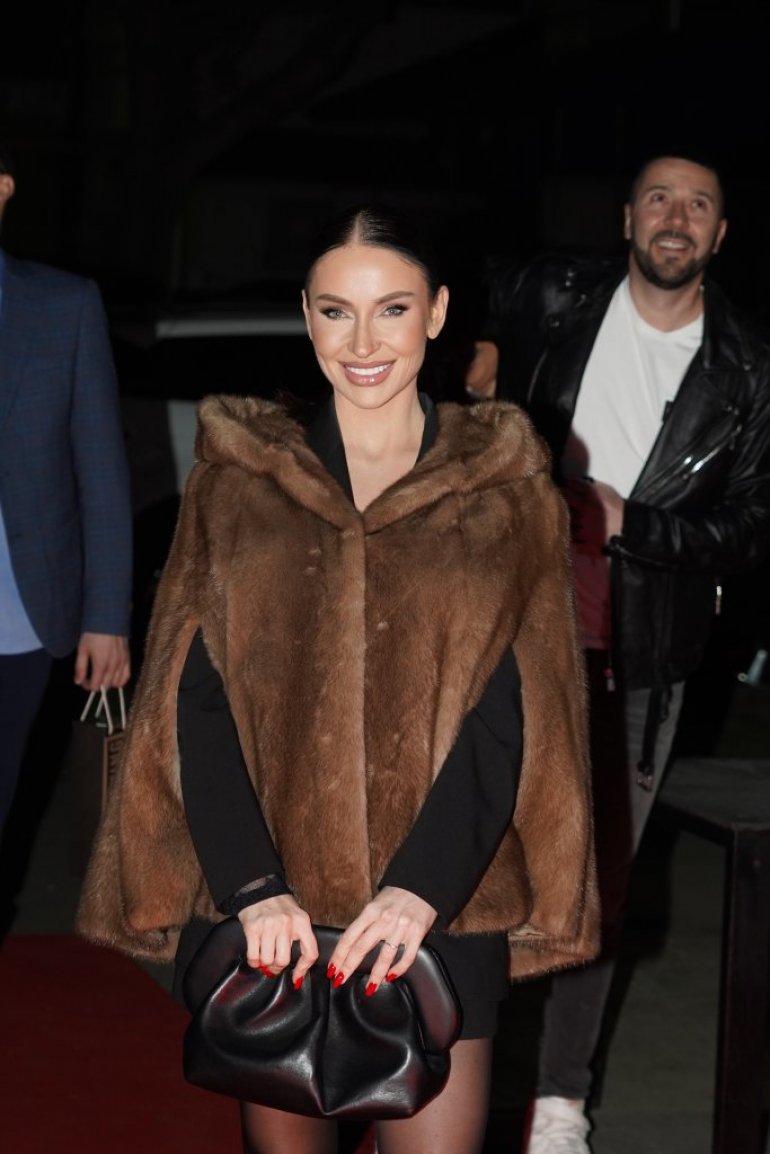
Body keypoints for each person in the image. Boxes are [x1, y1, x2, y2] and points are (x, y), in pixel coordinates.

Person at [77, 202, 599, 1154]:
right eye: (335, 311)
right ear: (306, 316)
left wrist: (420, 890)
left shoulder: (506, 484)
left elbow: (518, 707)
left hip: (444, 905)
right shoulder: (240, 478)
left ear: (437, 313)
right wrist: (250, 884)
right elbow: (194, 698)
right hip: (274, 908)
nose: (363, 343)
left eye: (391, 309)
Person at [468, 154, 770, 1153]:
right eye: (658, 199)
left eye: (698, 204)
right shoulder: (553, 293)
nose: (675, 218)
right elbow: (452, 306)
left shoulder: (748, 367)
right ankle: (442, 1063)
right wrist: (474, 361)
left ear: (719, 234)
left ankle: (559, 1101)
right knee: (461, 850)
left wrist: (630, 520)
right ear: (627, 217)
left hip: (637, 650)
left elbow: (749, 527)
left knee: (591, 880)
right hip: (497, 619)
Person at [0, 144, 132, 872]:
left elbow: (101, 473)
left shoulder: (63, 306)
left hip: (17, 621)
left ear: (3, 189)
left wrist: (105, 617)